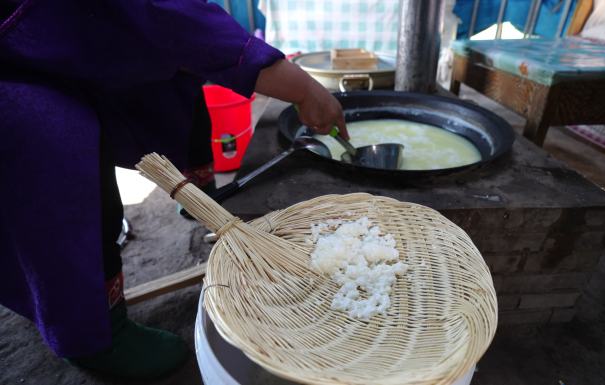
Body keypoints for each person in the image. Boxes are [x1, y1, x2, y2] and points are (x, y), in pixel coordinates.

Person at [0, 0, 348, 379]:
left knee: (174, 78)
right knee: (56, 147)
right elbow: (165, 14)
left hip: (48, 41)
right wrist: (302, 88)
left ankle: (196, 191)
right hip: (15, 68)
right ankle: (95, 336)